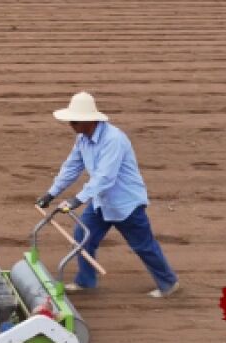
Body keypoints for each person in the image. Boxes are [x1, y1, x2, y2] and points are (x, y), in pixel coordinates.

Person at [35, 92, 180, 298]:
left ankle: (168, 283)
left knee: (143, 245)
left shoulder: (113, 140)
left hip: (125, 203)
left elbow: (105, 177)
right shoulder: (82, 139)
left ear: (89, 121)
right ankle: (86, 281)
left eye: (75, 121)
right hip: (101, 201)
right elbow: (71, 167)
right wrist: (51, 193)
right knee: (82, 237)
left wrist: (77, 200)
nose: (71, 125)